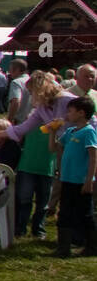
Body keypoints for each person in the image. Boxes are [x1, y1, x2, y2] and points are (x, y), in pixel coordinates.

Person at [51, 97, 97, 258]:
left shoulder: (89, 132)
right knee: (64, 212)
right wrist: (51, 132)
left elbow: (93, 157)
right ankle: (63, 247)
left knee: (85, 214)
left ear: (82, 113)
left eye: (70, 111)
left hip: (81, 181)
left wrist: (89, 180)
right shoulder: (70, 132)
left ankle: (92, 246)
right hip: (67, 180)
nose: (67, 114)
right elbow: (54, 147)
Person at [6, 58, 31, 124]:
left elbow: (16, 101)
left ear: (17, 70)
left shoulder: (16, 82)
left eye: (10, 70)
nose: (9, 72)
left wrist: (10, 119)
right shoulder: (32, 80)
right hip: (32, 120)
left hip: (19, 121)